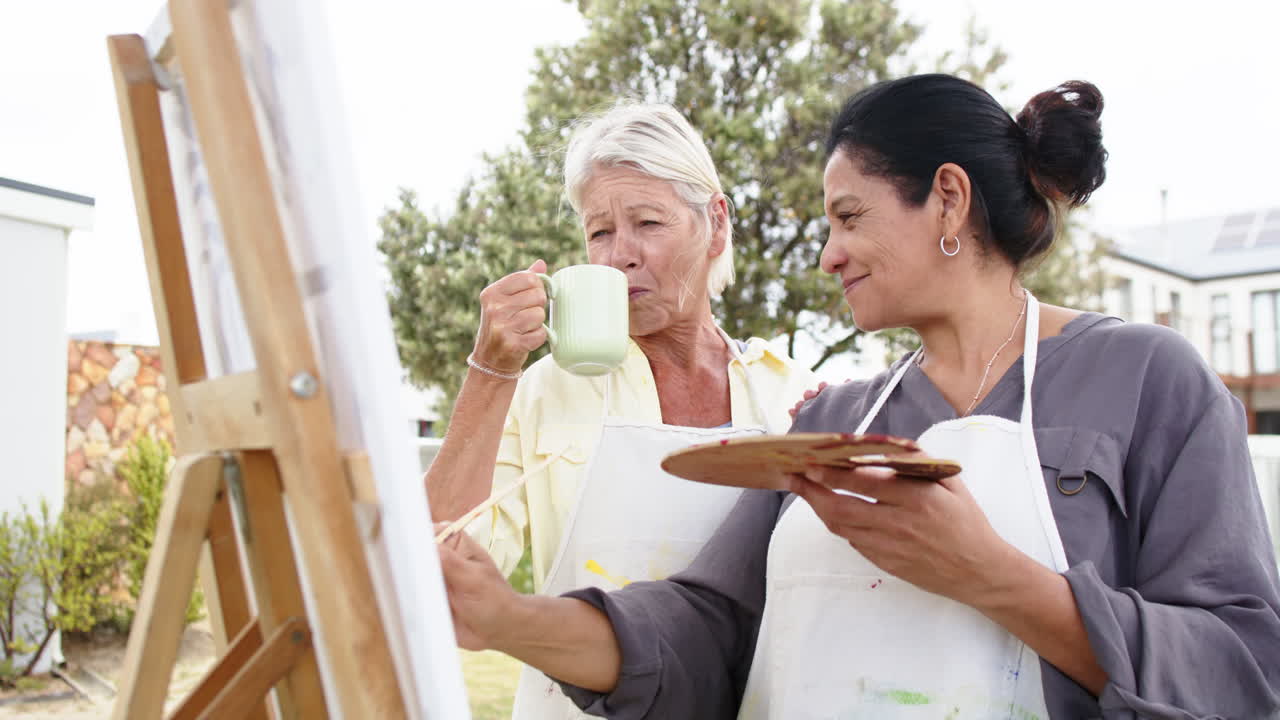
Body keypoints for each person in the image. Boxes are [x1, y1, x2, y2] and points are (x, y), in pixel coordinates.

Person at [437, 74, 1280, 719]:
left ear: (948, 199)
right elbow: (707, 630)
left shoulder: (1149, 380)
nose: (828, 256)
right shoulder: (837, 421)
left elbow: (1243, 669)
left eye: (848, 217)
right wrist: (507, 618)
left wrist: (994, 578)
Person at [424, 102, 817, 717]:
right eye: (599, 232)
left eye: (648, 223)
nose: (618, 256)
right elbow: (438, 561)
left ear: (715, 224)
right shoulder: (547, 389)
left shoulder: (789, 393)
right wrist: (492, 370)